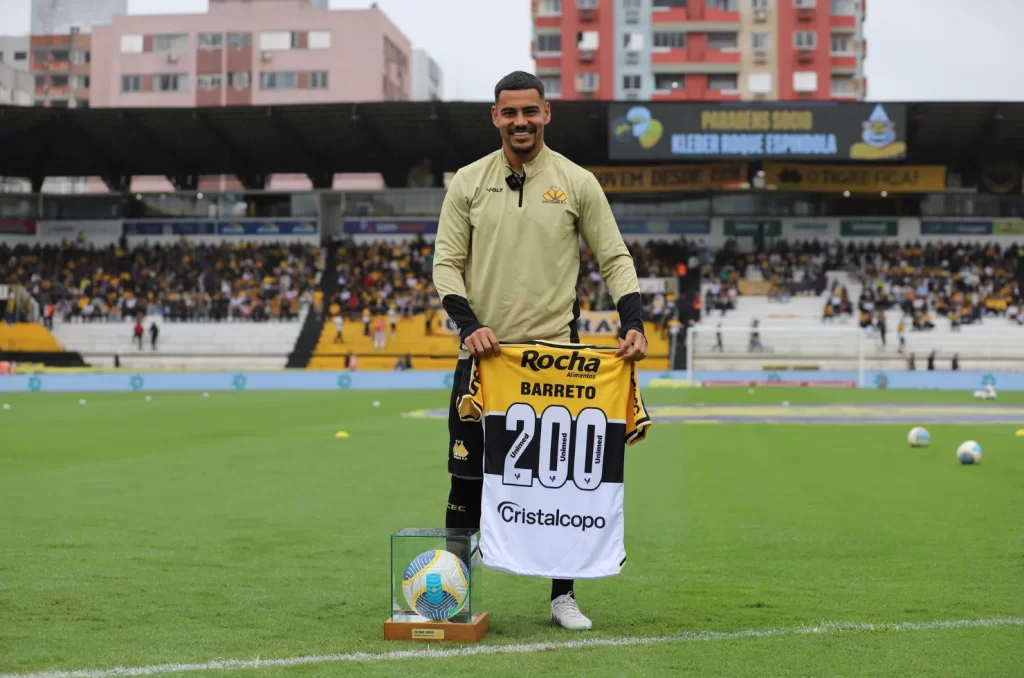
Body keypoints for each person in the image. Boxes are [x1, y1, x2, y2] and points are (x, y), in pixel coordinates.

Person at [432, 71, 647, 631]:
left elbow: (615, 256)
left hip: (556, 362)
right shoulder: (469, 182)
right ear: (496, 118)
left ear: (546, 114)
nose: (520, 122)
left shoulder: (577, 182)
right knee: (466, 479)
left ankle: (562, 598)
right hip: (484, 359)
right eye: (510, 113)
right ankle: (450, 591)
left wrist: (634, 322)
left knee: (567, 481)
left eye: (530, 112)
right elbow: (446, 264)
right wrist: (469, 325)